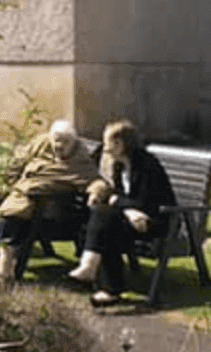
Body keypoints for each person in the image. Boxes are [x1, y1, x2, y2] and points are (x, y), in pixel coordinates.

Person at [68, 119, 175, 307]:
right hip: (132, 219)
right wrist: (127, 210)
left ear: (120, 144)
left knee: (105, 218)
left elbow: (145, 203)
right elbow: (119, 197)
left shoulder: (147, 166)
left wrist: (122, 205)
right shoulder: (119, 166)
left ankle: (99, 276)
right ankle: (106, 286)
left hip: (154, 221)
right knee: (104, 218)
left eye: (107, 143)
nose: (105, 148)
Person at [0, 119, 100, 282]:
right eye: (56, 141)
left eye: (65, 142)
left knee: (9, 222)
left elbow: (97, 181)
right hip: (20, 201)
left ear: (73, 143)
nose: (59, 146)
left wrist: (96, 193)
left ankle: (3, 275)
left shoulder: (80, 162)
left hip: (48, 214)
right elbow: (16, 166)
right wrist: (3, 187)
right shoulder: (40, 147)